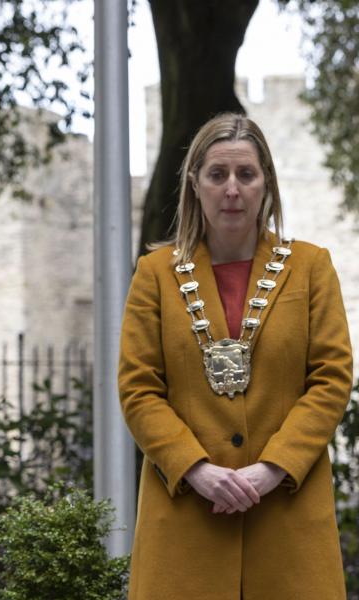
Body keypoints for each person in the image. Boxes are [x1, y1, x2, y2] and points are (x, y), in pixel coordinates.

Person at [119, 113, 353, 600]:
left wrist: (272, 469)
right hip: (185, 516)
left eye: (246, 174)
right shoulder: (155, 274)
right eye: (217, 174)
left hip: (288, 515)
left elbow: (331, 379)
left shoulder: (312, 267)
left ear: (266, 182)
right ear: (195, 184)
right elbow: (138, 388)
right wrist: (196, 469)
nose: (232, 189)